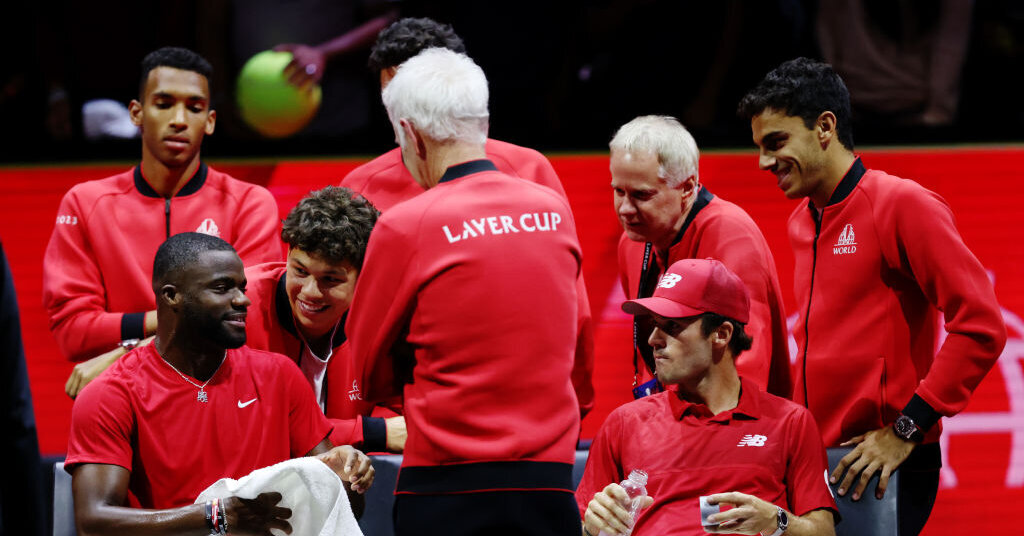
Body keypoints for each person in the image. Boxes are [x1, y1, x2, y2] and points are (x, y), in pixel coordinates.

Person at [737, 57, 1007, 534]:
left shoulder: (901, 203)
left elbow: (981, 325)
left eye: (776, 143)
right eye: (759, 147)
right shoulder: (801, 221)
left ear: (825, 127)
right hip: (818, 461)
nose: (763, 162)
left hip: (881, 461)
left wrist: (907, 429)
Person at [346, 48, 583, 535]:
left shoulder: (405, 225)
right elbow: (580, 336)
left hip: (445, 484)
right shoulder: (554, 210)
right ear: (483, 121)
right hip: (551, 481)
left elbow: (367, 367)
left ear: (410, 134)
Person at [342, 16, 595, 419]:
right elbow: (354, 329)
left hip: (488, 416)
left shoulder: (529, 170)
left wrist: (574, 405)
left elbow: (571, 308)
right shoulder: (360, 187)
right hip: (409, 421)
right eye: (389, 96)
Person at [64, 232, 374, 535]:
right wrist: (218, 515)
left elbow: (343, 507)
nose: (242, 300)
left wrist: (347, 474)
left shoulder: (280, 375)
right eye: (222, 288)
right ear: (172, 296)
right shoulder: (110, 394)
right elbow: (94, 522)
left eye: (242, 287)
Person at [44, 47, 281, 388]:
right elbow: (73, 332)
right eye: (164, 103)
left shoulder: (250, 203)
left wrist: (127, 349)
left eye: (194, 107)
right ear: (136, 113)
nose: (179, 119)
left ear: (210, 121)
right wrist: (185, 316)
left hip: (218, 394)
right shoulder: (85, 203)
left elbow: (245, 320)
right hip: (122, 399)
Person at [577, 258, 837, 536]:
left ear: (721, 334)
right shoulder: (624, 424)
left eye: (672, 326)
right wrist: (590, 528)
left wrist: (777, 521)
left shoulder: (791, 423)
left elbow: (823, 532)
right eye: (654, 324)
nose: (653, 339)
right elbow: (579, 525)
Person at [610, 115, 790, 399]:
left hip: (726, 419)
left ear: (686, 187)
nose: (625, 209)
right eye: (619, 191)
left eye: (641, 195)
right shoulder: (632, 243)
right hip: (671, 413)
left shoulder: (731, 234)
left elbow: (745, 366)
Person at [244, 186, 406, 452]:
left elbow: (405, 420)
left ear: (365, 278)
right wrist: (370, 432)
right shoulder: (239, 307)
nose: (310, 291)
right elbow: (242, 426)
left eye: (330, 279)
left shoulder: (387, 315)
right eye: (300, 271)